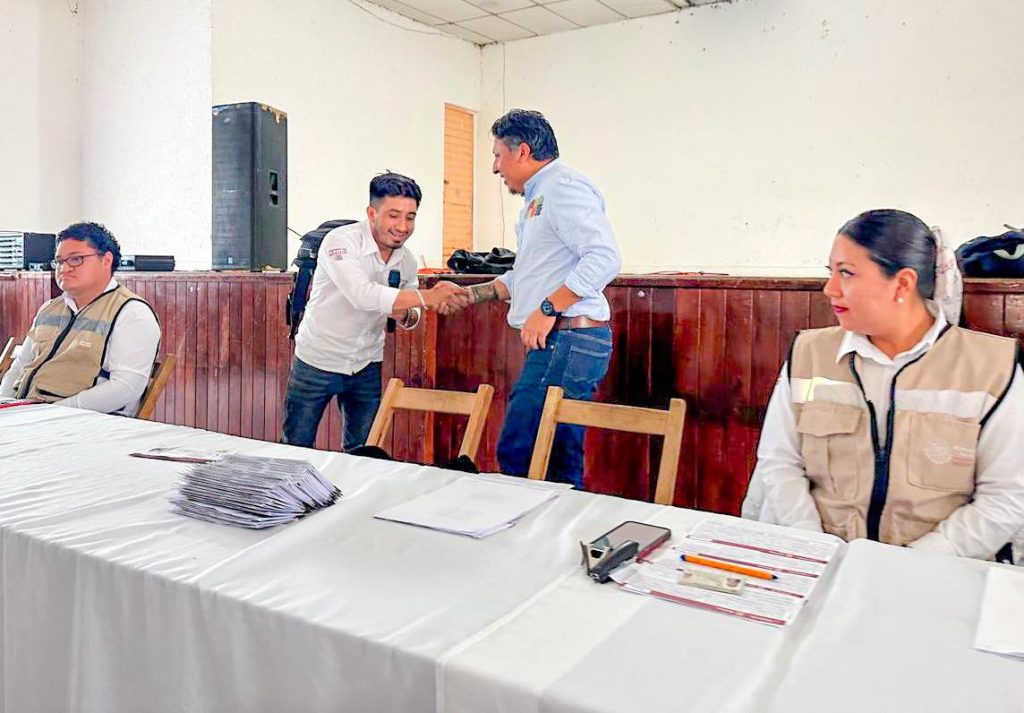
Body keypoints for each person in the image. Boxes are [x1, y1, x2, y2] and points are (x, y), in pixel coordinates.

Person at [742, 209, 1024, 560]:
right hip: (821, 561)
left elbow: (1005, 497)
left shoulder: (991, 369)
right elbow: (779, 461)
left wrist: (909, 563)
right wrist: (815, 547)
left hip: (936, 570)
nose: (830, 289)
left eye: (846, 273)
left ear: (902, 284)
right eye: (831, 272)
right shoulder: (809, 355)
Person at [451, 109, 622, 488]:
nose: (495, 168)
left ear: (523, 151)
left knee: (522, 449)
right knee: (555, 455)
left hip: (570, 337)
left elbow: (604, 257)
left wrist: (548, 308)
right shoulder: (539, 196)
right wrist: (470, 295)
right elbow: (528, 275)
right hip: (562, 338)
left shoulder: (562, 188)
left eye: (498, 155)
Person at [281, 172, 467, 450]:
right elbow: (361, 294)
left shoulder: (406, 260)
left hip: (366, 364)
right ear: (371, 213)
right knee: (295, 448)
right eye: (394, 215)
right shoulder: (340, 242)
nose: (402, 226)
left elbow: (412, 315)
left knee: (364, 452)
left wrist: (406, 314)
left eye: (410, 217)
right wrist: (428, 297)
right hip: (316, 361)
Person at [0, 222, 161, 416]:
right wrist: (6, 407)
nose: (64, 268)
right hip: (28, 415)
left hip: (87, 422)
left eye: (76, 259)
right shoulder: (50, 308)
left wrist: (54, 413)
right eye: (59, 261)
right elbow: (19, 366)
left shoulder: (132, 313)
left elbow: (126, 388)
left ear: (106, 261)